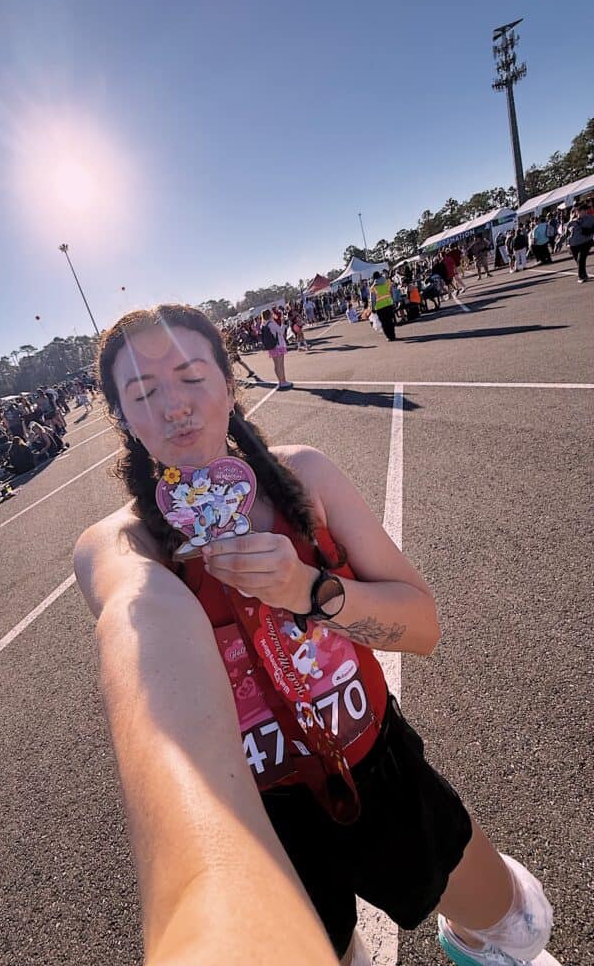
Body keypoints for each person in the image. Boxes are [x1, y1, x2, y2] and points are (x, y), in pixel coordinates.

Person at [75, 304, 560, 966]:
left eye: (191, 377)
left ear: (228, 383)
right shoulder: (125, 543)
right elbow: (132, 617)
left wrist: (310, 590)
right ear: (124, 420)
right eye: (144, 392)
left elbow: (423, 627)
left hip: (379, 767)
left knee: (515, 922)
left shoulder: (306, 476)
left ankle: (480, 947)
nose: (173, 406)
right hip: (260, 824)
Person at [260, 309, 292, 390]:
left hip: (272, 347)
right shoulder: (272, 323)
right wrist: (283, 324)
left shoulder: (264, 324)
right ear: (270, 315)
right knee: (280, 365)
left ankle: (280, 381)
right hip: (278, 345)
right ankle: (283, 381)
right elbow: (281, 331)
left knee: (276, 365)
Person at [566, 202, 594, 283]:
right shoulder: (571, 222)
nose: (585, 212)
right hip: (573, 245)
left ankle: (581, 277)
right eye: (583, 210)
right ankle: (584, 274)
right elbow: (566, 234)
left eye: (585, 210)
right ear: (577, 211)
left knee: (581, 259)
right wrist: (567, 244)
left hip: (586, 242)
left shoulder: (590, 218)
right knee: (578, 261)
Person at [369, 272, 396, 341]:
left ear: (374, 278)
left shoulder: (373, 287)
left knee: (384, 323)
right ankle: (393, 335)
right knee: (390, 321)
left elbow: (373, 300)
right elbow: (392, 292)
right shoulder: (387, 282)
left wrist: (372, 308)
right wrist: (393, 301)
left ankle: (388, 336)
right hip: (389, 303)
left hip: (379, 307)